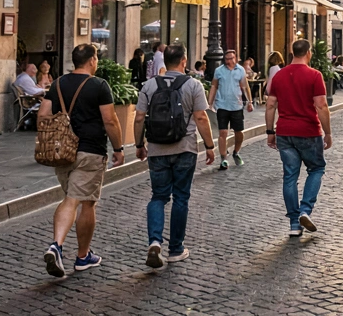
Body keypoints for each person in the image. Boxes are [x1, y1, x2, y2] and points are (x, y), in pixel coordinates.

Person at [41, 43, 124, 277]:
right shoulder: (98, 85)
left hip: (62, 152)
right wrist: (118, 148)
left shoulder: (58, 84)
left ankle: (83, 255)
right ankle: (58, 246)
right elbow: (110, 120)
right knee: (75, 200)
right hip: (90, 150)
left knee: (83, 201)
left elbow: (43, 115)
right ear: (92, 60)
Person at [134, 44, 214, 268]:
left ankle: (155, 242)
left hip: (157, 149)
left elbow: (139, 117)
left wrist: (139, 144)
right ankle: (176, 249)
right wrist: (210, 145)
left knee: (158, 196)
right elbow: (201, 118)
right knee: (181, 197)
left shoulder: (149, 85)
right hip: (185, 148)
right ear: (184, 61)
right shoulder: (193, 85)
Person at [266, 39, 332, 236]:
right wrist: (327, 132)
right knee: (317, 168)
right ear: (309, 53)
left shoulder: (279, 76)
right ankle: (305, 210)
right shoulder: (314, 75)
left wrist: (270, 132)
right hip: (309, 131)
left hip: (285, 132)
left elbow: (270, 105)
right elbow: (321, 106)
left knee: (290, 176)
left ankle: (294, 223)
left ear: (291, 52)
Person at [209, 50, 254, 170]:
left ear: (236, 58)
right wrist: (210, 103)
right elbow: (214, 86)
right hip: (222, 105)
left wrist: (250, 102)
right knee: (223, 132)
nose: (230, 61)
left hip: (236, 106)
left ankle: (236, 152)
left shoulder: (240, 70)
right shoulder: (219, 71)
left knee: (239, 132)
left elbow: (245, 86)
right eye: (227, 59)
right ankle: (224, 158)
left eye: (232, 58)